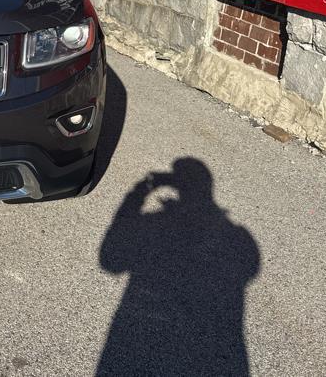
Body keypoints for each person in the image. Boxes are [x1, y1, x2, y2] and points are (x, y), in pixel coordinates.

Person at [97, 158, 260, 376]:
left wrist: (139, 192)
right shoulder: (240, 237)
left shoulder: (153, 224)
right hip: (217, 351)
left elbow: (111, 261)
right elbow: (249, 269)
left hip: (144, 330)